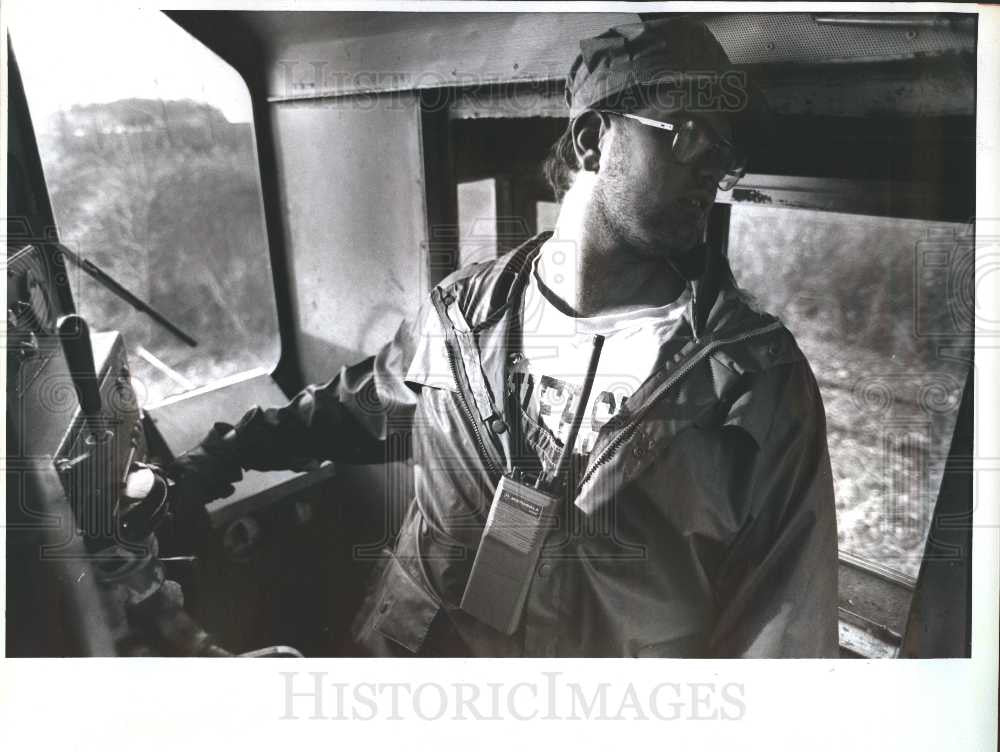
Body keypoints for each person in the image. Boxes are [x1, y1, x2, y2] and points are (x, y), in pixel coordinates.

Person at [169, 18, 840, 658]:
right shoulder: (466, 314)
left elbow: (781, 632)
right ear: (592, 141)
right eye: (690, 133)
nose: (714, 167)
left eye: (726, 150)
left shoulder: (756, 384)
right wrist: (213, 460)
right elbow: (353, 410)